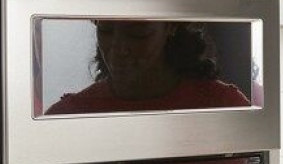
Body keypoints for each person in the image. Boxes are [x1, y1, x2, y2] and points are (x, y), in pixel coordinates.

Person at [44, 20, 250, 115]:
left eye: (138, 34)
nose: (118, 48)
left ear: (170, 26)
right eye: (106, 31)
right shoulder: (68, 112)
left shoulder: (224, 104)